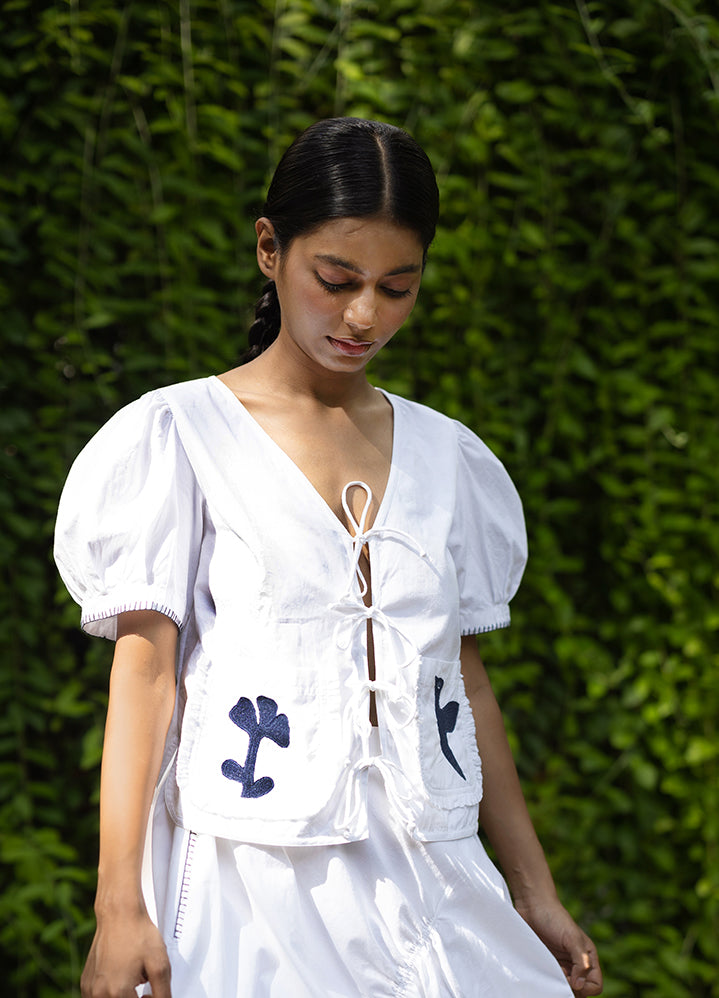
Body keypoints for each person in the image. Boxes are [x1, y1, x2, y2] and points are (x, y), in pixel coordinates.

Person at [55, 117, 603, 998]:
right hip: (254, 881)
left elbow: (461, 680)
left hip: (438, 874)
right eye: (336, 279)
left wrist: (534, 892)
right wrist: (118, 907)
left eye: (397, 287)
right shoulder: (180, 437)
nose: (363, 315)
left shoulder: (449, 458)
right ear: (270, 249)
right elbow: (146, 676)